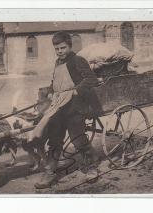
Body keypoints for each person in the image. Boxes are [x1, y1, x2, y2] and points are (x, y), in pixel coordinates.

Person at [33, 31, 100, 189]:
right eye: (57, 49)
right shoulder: (57, 63)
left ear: (69, 46)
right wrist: (50, 90)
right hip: (59, 106)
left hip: (75, 106)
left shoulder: (78, 60)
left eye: (63, 48)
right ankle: (50, 172)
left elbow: (91, 79)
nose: (60, 51)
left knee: (77, 138)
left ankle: (91, 167)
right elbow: (55, 82)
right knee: (54, 139)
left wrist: (77, 90)